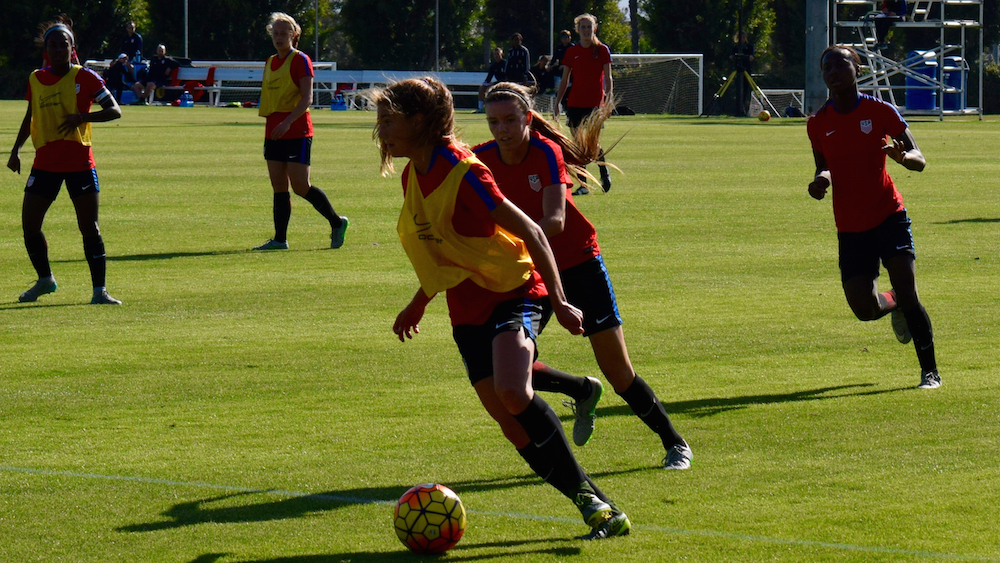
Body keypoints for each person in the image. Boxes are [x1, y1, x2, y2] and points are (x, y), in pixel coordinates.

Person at [371, 77, 631, 540]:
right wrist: (418, 302)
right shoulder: (414, 175)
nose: (381, 130)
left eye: (389, 120)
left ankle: (598, 503)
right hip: (465, 305)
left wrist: (559, 299)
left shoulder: (465, 172)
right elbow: (443, 250)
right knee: (512, 426)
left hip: (513, 289)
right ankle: (589, 500)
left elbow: (533, 232)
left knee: (514, 390)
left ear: (418, 121)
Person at [475, 82, 693, 470]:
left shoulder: (545, 151)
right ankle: (580, 389)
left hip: (578, 263)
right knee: (507, 367)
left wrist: (508, 246)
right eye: (493, 121)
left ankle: (675, 443)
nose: (502, 129)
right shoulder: (479, 159)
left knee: (618, 372)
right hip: (529, 273)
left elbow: (555, 222)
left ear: (527, 118)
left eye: (510, 119)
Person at [807, 45, 939, 389]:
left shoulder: (881, 111)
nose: (833, 72)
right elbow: (825, 166)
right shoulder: (818, 123)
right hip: (850, 226)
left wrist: (902, 157)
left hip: (888, 214)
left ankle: (930, 372)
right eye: (827, 68)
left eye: (841, 64)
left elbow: (919, 158)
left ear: (857, 68)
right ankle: (892, 302)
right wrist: (822, 180)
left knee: (910, 292)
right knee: (863, 309)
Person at [7, 17, 123, 305]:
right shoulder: (36, 78)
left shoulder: (86, 77)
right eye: (53, 45)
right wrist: (15, 149)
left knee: (89, 227)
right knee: (29, 225)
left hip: (80, 164)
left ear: (73, 49)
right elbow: (30, 116)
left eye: (64, 45)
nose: (59, 50)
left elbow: (114, 110)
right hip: (45, 163)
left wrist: (83, 117)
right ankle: (45, 280)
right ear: (46, 49)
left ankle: (100, 291)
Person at [254, 12, 348, 251]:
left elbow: (307, 97)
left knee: (300, 186)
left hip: (296, 130)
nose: (278, 37)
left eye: (284, 33)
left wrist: (287, 122)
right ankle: (279, 240)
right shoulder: (269, 61)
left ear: (293, 35)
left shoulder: (300, 60)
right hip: (273, 131)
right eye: (275, 33)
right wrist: (276, 123)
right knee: (278, 186)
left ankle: (337, 223)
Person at [555, 14, 613, 195]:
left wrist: (609, 100)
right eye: (583, 27)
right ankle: (584, 185)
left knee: (593, 143)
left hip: (594, 103)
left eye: (589, 27)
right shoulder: (571, 52)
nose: (586, 30)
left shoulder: (602, 50)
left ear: (594, 28)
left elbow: (608, 77)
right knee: (577, 145)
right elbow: (565, 80)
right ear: (577, 30)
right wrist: (557, 102)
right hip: (575, 103)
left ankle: (604, 172)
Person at [547, 30, 575, 114]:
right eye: (563, 37)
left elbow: (575, 60)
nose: (565, 39)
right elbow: (554, 58)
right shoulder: (559, 47)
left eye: (566, 37)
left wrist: (566, 66)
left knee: (569, 92)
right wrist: (550, 65)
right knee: (560, 91)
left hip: (571, 74)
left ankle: (569, 108)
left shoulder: (572, 48)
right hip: (561, 73)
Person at [729, 31, 755, 116]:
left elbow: (751, 57)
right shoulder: (735, 47)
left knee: (746, 90)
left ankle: (746, 109)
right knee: (738, 90)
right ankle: (738, 109)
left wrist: (747, 57)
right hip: (737, 71)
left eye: (743, 37)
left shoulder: (749, 47)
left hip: (746, 70)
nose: (742, 39)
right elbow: (731, 56)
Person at [477, 47, 505, 112]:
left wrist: (494, 83)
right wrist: (484, 84)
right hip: (497, 82)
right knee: (482, 88)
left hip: (505, 82)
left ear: (501, 54)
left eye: (498, 54)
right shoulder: (493, 66)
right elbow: (489, 78)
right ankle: (480, 108)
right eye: (495, 54)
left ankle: (490, 106)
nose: (496, 56)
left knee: (490, 87)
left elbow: (507, 77)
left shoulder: (505, 64)